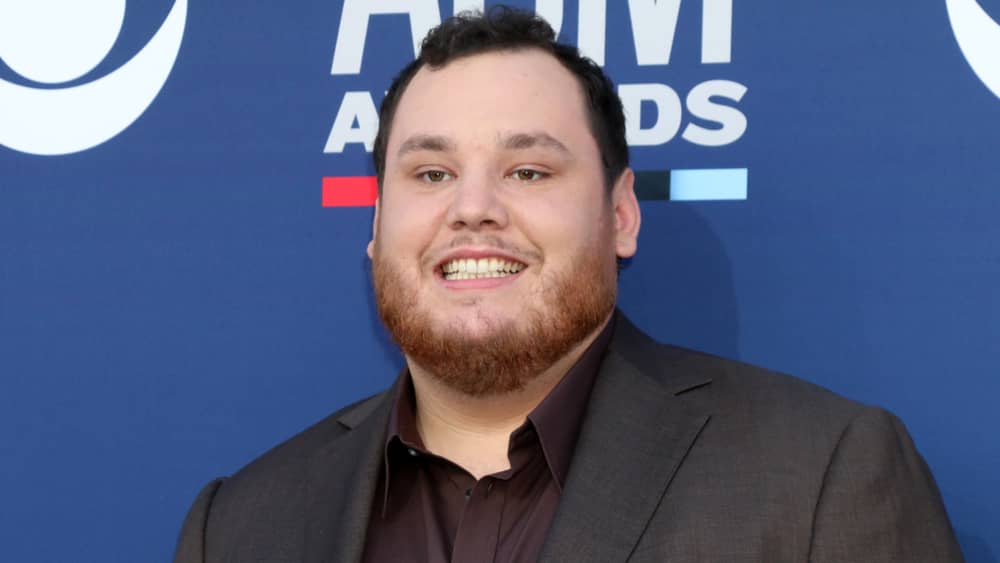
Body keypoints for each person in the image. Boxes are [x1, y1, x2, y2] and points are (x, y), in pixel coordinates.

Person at [174, 7, 963, 562]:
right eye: (432, 172)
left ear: (621, 216)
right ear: (378, 225)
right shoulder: (239, 526)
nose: (472, 207)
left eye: (528, 170)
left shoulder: (820, 475)